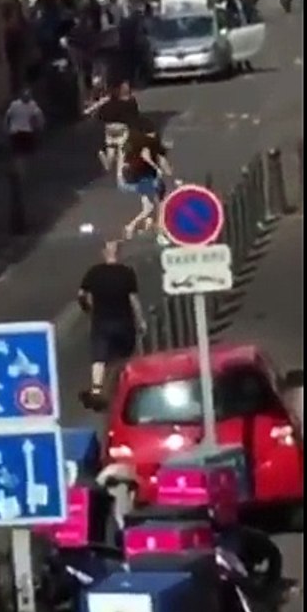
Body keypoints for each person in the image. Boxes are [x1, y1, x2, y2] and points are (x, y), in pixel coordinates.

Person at [78, 241, 146, 409]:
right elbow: (133, 300)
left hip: (101, 321)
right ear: (119, 253)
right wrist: (140, 320)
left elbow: (81, 294)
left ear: (103, 253)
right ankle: (121, 390)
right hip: (124, 322)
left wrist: (88, 308)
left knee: (99, 357)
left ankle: (96, 389)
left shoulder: (94, 272)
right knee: (122, 358)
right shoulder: (127, 272)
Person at [119, 118, 173, 239]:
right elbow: (146, 156)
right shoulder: (149, 143)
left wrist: (120, 175)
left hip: (133, 177)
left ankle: (131, 226)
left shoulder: (132, 142)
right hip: (143, 176)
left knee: (149, 207)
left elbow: (123, 157)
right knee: (160, 199)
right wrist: (158, 169)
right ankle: (161, 228)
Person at [84, 80, 140, 172]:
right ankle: (121, 170)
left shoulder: (110, 100)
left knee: (112, 154)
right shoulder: (129, 101)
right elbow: (134, 115)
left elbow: (99, 113)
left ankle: (106, 158)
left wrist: (91, 110)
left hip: (111, 128)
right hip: (120, 128)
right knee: (122, 152)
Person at [4, 89, 44, 177]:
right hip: (26, 132)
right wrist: (39, 128)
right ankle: (21, 172)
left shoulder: (14, 105)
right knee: (25, 154)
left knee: (18, 154)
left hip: (16, 132)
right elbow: (38, 118)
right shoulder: (32, 105)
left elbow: (8, 117)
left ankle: (18, 171)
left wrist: (6, 129)